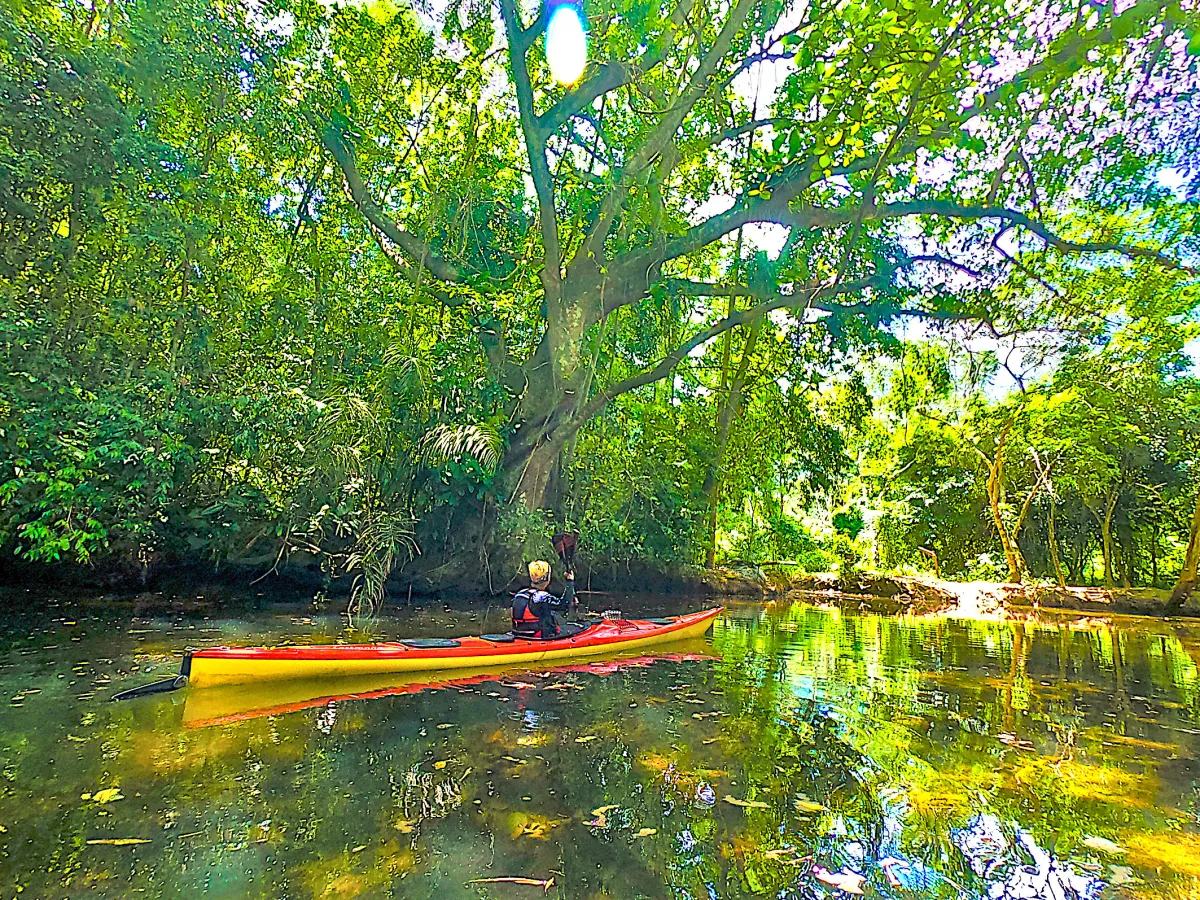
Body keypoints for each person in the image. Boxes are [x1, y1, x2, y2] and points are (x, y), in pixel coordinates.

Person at [512, 559, 575, 639]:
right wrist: (570, 582)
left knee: (552, 614)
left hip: (520, 636)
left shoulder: (520, 593)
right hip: (538, 638)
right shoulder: (541, 597)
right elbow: (564, 605)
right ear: (547, 578)